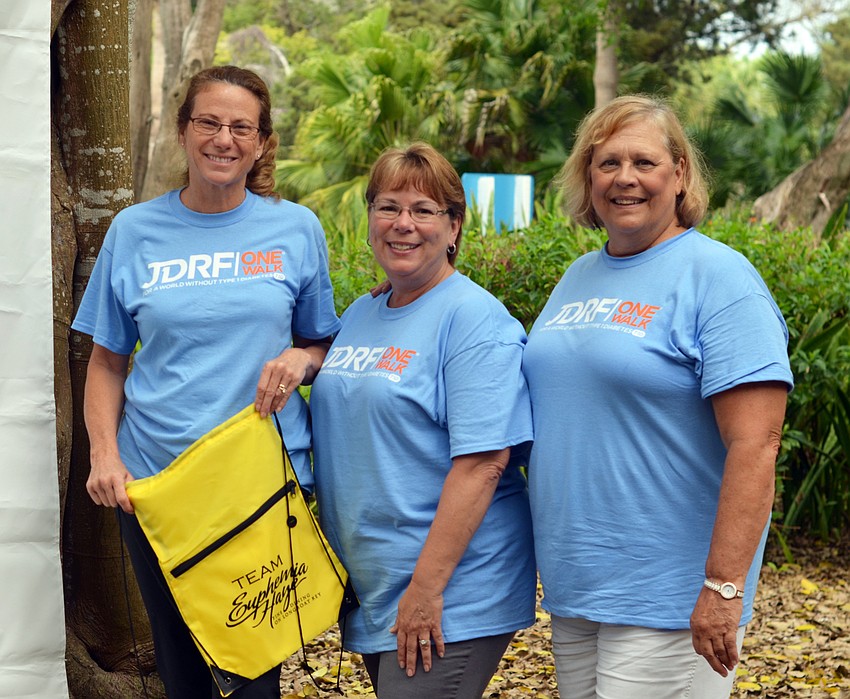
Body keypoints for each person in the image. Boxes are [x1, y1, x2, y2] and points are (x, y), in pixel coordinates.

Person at [71, 65, 340, 698]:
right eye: (209, 122)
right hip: (156, 482)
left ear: (262, 141)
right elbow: (107, 360)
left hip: (259, 481)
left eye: (241, 127)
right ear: (184, 131)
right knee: (180, 667)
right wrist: (106, 456)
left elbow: (322, 343)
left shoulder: (295, 228)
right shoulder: (133, 231)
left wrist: (301, 362)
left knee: (252, 668)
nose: (224, 138)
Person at [522, 95, 794, 699]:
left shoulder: (719, 278)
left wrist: (724, 587)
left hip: (669, 595)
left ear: (680, 174)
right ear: (587, 176)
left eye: (643, 162)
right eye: (607, 162)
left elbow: (757, 443)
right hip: (578, 585)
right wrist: (412, 283)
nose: (624, 178)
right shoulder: (579, 276)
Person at [309, 142, 536, 699]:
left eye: (423, 210)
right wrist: (301, 358)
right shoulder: (365, 311)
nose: (402, 224)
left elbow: (483, 464)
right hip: (377, 585)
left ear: (454, 226)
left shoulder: (475, 320)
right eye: (388, 207)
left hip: (450, 588)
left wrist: (427, 589)